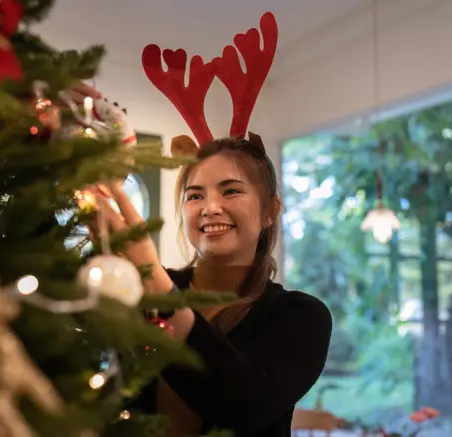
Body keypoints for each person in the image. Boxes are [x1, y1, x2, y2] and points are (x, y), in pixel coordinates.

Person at [87, 133, 332, 437]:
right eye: (195, 196)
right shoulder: (141, 287)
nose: (210, 207)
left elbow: (240, 405)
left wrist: (148, 272)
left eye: (230, 191)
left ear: (271, 210)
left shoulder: (302, 315)